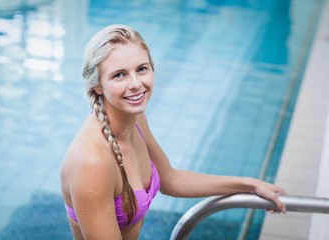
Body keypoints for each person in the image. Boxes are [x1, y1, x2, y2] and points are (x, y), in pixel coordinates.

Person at [60, 24, 286, 240]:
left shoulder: (135, 119)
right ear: (97, 85)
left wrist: (250, 185)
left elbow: (172, 180)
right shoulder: (92, 162)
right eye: (119, 75)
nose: (136, 84)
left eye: (142, 69)